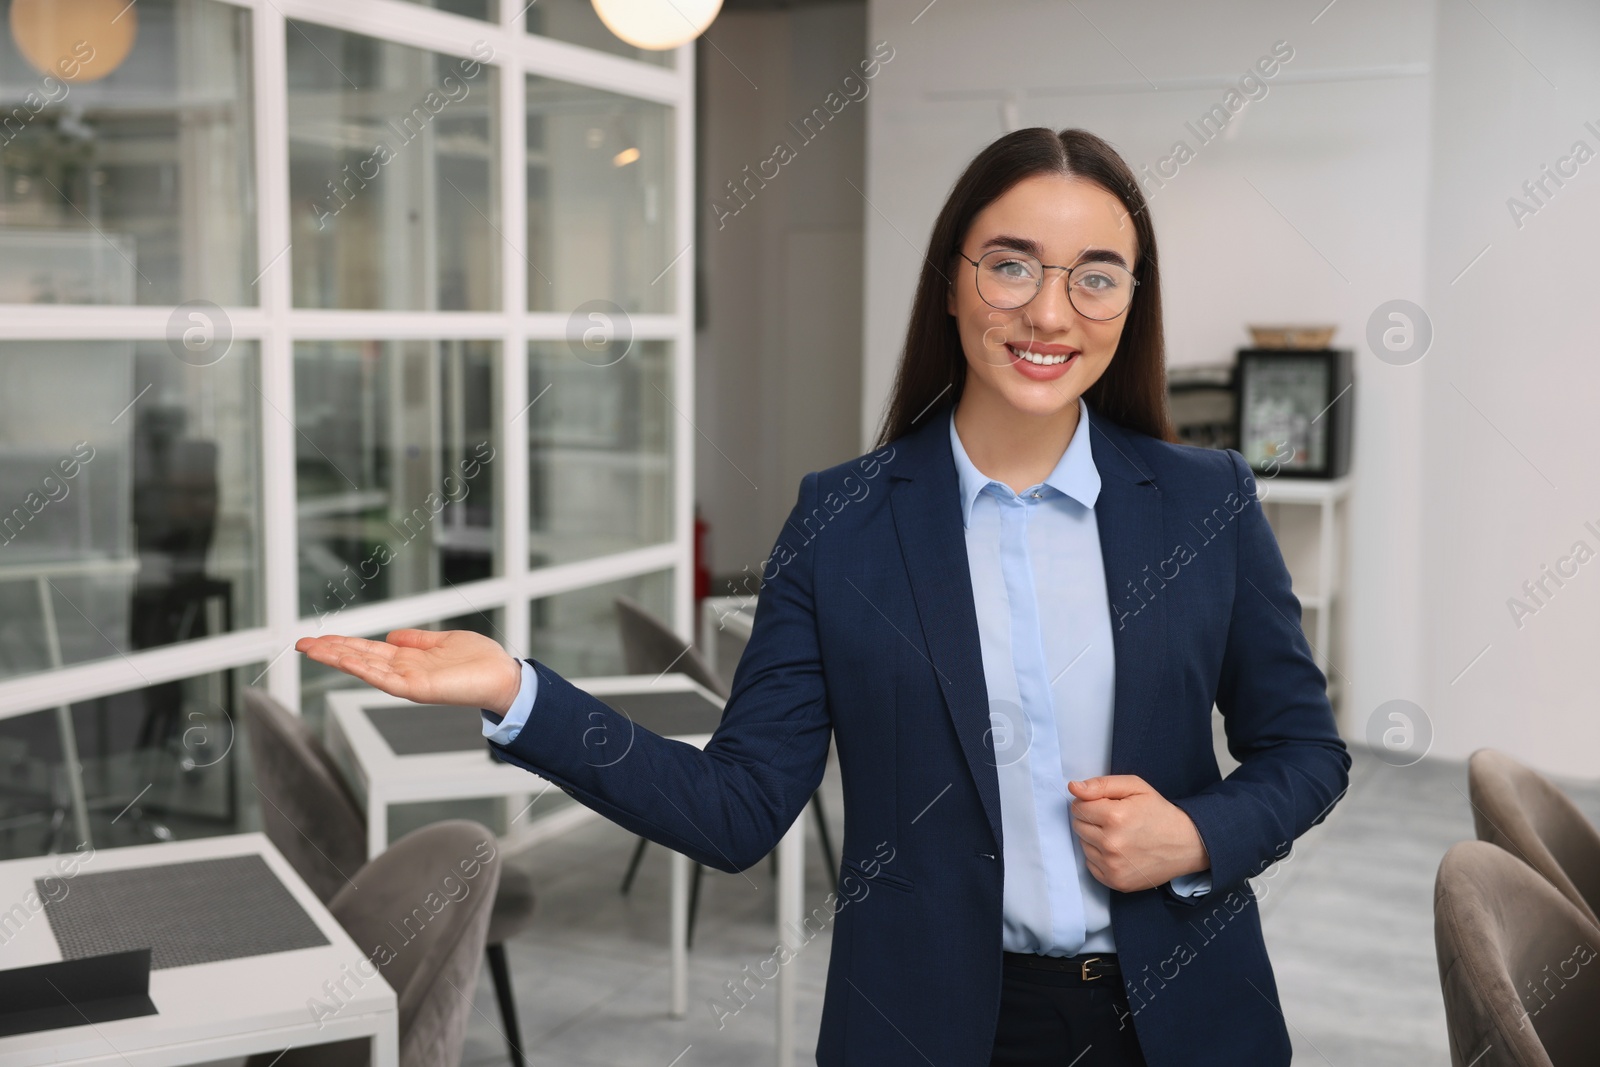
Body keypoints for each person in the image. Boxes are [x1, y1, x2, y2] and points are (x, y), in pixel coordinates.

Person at [296, 126, 1350, 1067]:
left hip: (1185, 1019)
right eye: (1011, 265)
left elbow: (1305, 750)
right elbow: (737, 806)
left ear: (1130, 299)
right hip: (933, 1026)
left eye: (1095, 276)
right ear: (950, 280)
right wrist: (517, 690)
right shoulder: (842, 521)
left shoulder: (1204, 502)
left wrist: (1196, 835)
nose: (1047, 310)